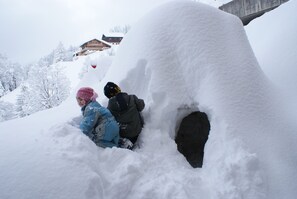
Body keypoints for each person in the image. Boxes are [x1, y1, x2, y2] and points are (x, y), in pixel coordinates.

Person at [103, 82, 145, 148]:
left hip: (124, 133)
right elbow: (141, 106)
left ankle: (123, 143)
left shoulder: (109, 108)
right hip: (137, 129)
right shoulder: (132, 98)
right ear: (118, 89)